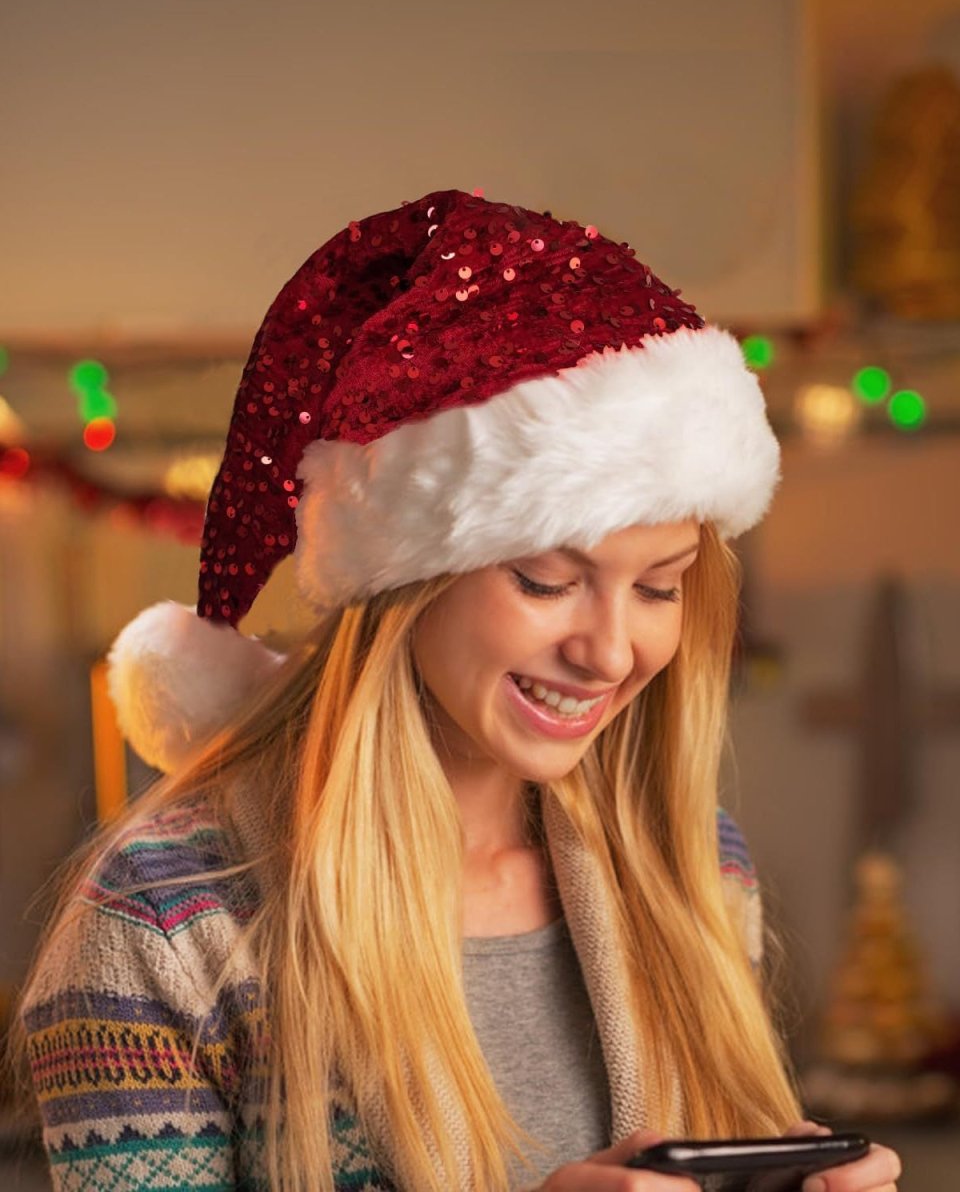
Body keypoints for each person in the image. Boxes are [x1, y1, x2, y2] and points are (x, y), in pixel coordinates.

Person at [13, 188, 901, 1192]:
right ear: (407, 582)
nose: (611, 652)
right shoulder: (166, 926)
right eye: (546, 581)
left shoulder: (690, 858)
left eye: (661, 586)